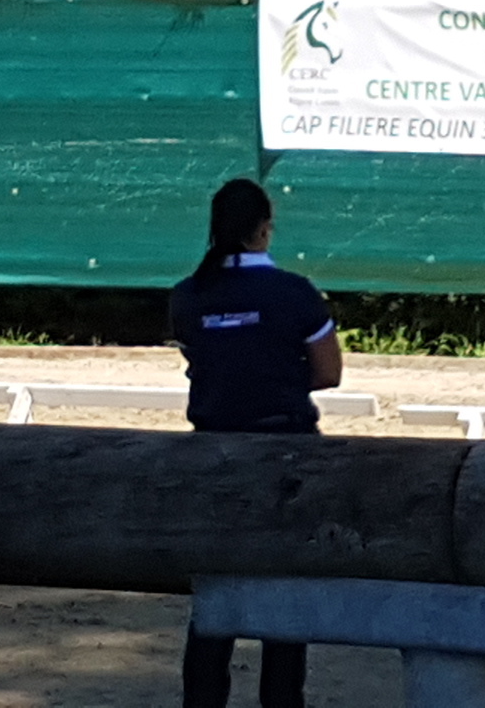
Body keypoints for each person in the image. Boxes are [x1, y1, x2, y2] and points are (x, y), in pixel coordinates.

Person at [169, 177, 342, 708]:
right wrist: (278, 380)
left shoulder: (187, 296)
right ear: (264, 230)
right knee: (285, 594)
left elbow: (207, 365)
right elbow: (329, 373)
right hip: (285, 455)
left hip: (213, 456)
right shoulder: (295, 292)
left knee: (215, 591)